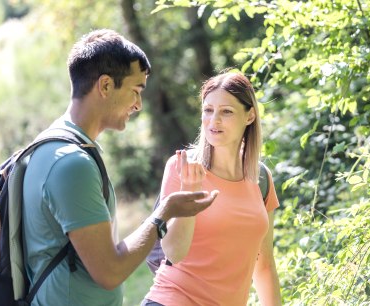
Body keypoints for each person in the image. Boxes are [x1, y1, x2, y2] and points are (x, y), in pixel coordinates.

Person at [21, 29, 218, 306]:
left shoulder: (56, 147)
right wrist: (163, 214)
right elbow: (110, 271)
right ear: (105, 86)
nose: (138, 104)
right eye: (135, 90)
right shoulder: (71, 163)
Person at [141, 71, 282, 305]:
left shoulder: (261, 178)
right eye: (208, 110)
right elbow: (173, 252)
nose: (213, 121)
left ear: (250, 116)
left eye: (226, 111)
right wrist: (189, 189)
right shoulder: (181, 167)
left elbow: (265, 266)